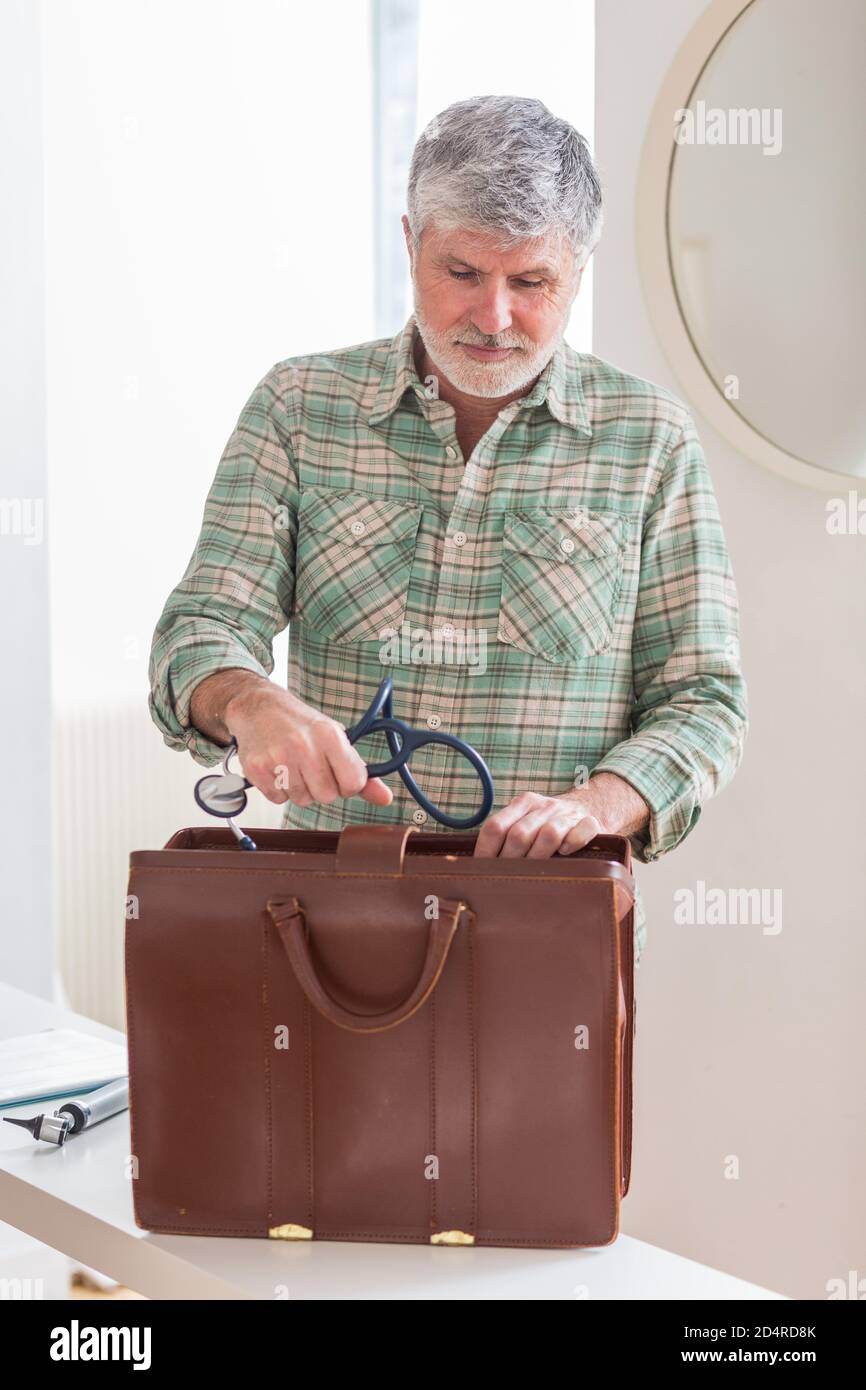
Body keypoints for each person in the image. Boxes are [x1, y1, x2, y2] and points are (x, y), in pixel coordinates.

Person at [148, 94, 748, 969]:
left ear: (578, 269)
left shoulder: (648, 439)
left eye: (531, 282)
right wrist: (249, 702)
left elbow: (705, 704)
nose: (494, 317)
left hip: (551, 940)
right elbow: (196, 630)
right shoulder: (297, 410)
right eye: (463, 272)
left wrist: (600, 804)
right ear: (410, 243)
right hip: (321, 937)